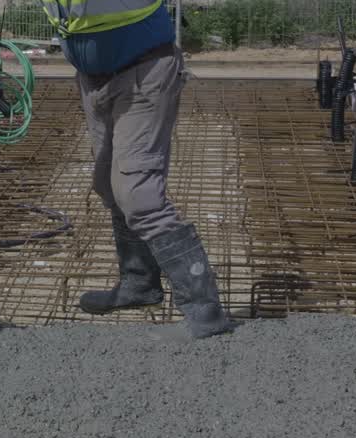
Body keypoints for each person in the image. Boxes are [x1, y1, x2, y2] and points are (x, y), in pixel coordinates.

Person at [41, 0, 233, 338]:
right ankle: (139, 283)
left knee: (139, 195)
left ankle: (204, 312)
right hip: (93, 79)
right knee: (107, 183)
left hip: (144, 72)